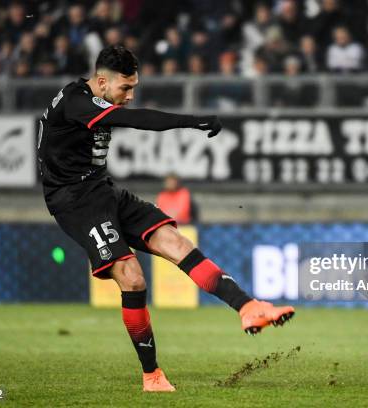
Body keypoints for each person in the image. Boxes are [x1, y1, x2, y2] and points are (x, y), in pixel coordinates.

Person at [37, 45, 294, 392]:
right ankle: (152, 375)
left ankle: (249, 307)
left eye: (134, 88)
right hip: (73, 201)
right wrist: (190, 121)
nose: (129, 96)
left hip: (101, 189)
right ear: (101, 81)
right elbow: (133, 119)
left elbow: (123, 114)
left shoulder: (92, 99)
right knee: (132, 278)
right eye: (125, 88)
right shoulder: (75, 102)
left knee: (177, 242)